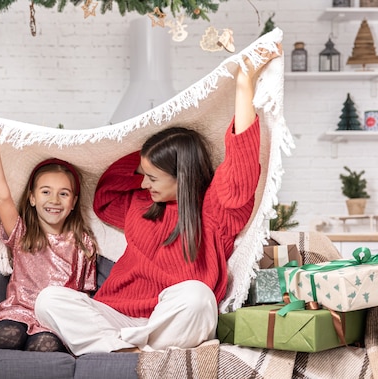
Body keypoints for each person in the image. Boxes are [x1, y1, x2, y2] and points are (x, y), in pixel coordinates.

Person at [35, 45, 282, 355]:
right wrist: (145, 148)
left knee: (198, 297)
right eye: (143, 173)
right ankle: (135, 356)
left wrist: (245, 83)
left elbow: (242, 166)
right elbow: (105, 194)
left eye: (152, 177)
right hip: (116, 315)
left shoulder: (215, 209)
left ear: (182, 175)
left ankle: (121, 354)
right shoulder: (139, 203)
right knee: (48, 300)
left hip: (171, 319)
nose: (142, 182)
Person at [0, 122, 98, 352]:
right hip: (18, 313)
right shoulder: (22, 232)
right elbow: (2, 196)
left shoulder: (83, 243)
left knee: (46, 346)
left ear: (73, 203)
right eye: (46, 192)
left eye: (63, 194)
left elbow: (85, 294)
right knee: (10, 336)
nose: (54, 200)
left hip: (54, 322)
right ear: (32, 198)